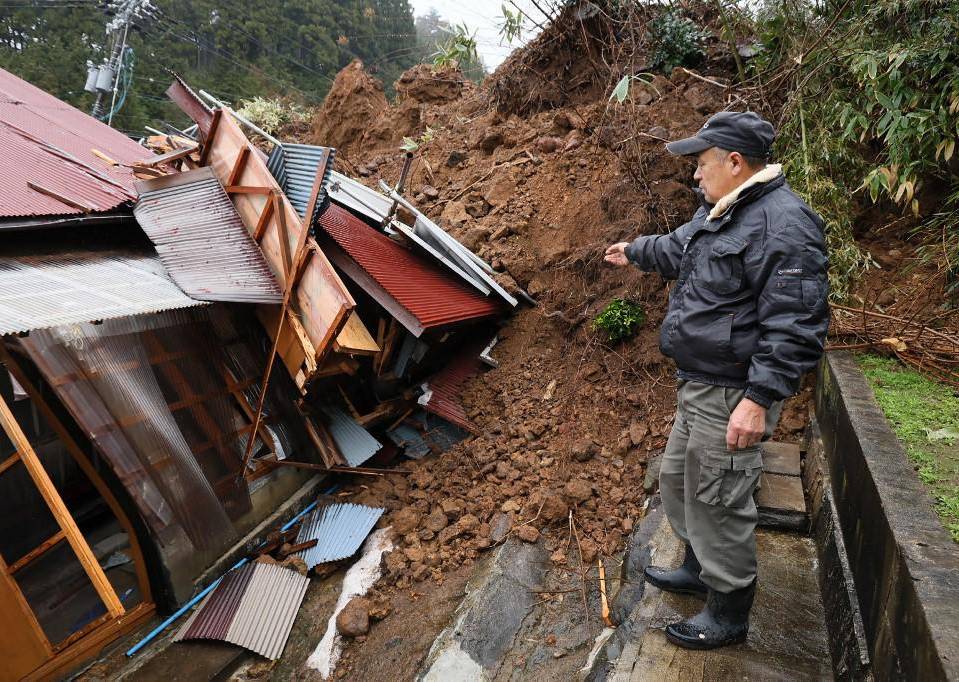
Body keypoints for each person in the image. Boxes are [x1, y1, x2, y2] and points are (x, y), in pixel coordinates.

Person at [604, 111, 829, 650]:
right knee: (681, 482)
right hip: (700, 385)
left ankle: (728, 612)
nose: (695, 176)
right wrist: (633, 251)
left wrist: (759, 399)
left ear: (733, 161)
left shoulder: (783, 223)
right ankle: (698, 568)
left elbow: (796, 323)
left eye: (702, 164)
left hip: (733, 392)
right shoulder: (725, 212)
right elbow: (678, 249)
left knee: (719, 499)